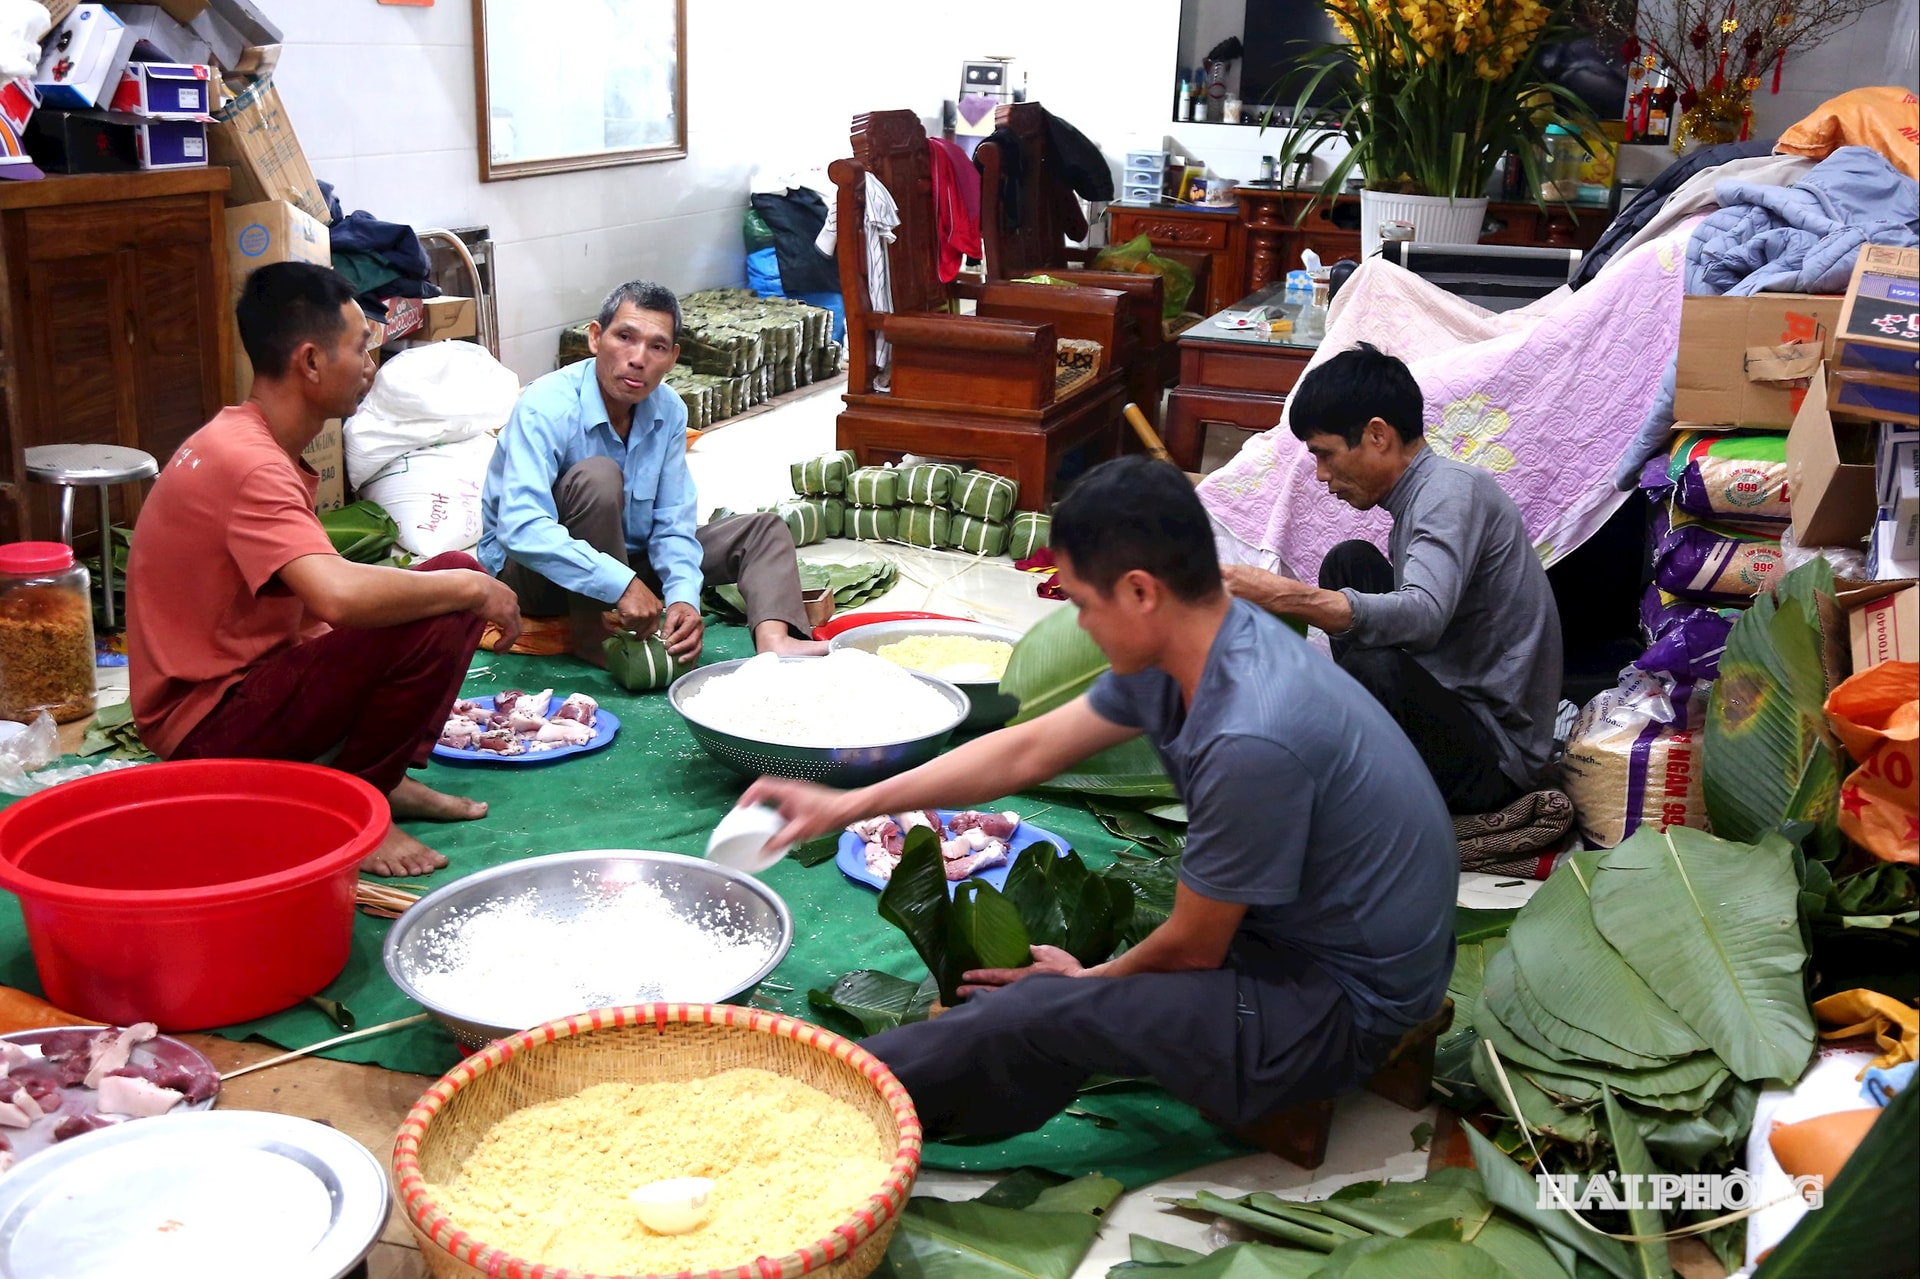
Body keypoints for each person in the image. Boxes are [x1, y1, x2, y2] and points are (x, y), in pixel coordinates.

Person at [739, 456, 1456, 1140]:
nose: (1078, 625)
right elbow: (1027, 749)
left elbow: (1192, 949)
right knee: (1032, 998)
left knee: (1032, 1009)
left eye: (1082, 602)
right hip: (1294, 938)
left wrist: (1087, 984)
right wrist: (845, 805)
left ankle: (827, 1116)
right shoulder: (1194, 642)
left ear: (1142, 591)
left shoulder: (1250, 733)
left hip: (1346, 1005)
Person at [127, 262, 521, 878]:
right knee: (449, 597)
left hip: (246, 686)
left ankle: (380, 780)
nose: (372, 363)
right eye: (361, 347)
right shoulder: (252, 464)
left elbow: (312, 609)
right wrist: (471, 586)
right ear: (310, 362)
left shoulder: (251, 440)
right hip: (205, 730)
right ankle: (354, 803)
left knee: (441, 574)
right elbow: (337, 598)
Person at [1220, 344, 1562, 815]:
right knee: (1350, 562)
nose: (1321, 475)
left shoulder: (1447, 492)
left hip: (1498, 760)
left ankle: (1358, 778)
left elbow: (1423, 616)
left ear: (1377, 435)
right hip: (1457, 704)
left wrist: (1284, 595)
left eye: (1326, 455)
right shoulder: (1428, 492)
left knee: (1373, 667)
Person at [479, 280, 825, 667]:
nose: (638, 358)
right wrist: (620, 582)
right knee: (598, 477)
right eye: (625, 337)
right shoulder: (545, 406)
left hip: (630, 560)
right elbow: (520, 528)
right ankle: (592, 634)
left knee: (763, 530)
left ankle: (775, 640)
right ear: (596, 338)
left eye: (656, 346)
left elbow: (673, 523)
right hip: (537, 577)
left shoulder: (669, 411)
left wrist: (682, 598)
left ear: (673, 357)